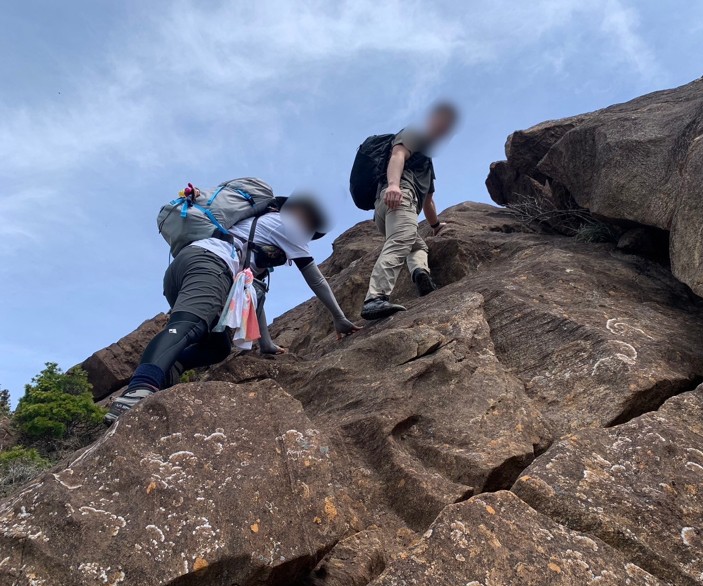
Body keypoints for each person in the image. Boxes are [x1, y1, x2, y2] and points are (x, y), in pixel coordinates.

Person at [104, 195, 360, 425]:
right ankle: (138, 391)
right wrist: (339, 318)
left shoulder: (258, 229)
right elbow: (316, 279)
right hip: (211, 264)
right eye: (312, 228)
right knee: (191, 324)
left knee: (217, 346)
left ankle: (170, 370)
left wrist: (266, 344)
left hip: (186, 268)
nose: (308, 234)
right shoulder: (289, 225)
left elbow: (254, 294)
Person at [361, 102, 458, 320]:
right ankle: (375, 297)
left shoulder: (426, 161)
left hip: (387, 210)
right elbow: (398, 155)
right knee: (401, 241)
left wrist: (435, 226)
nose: (444, 130)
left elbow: (428, 201)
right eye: (442, 122)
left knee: (417, 245)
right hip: (398, 196)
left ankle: (420, 273)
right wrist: (394, 185)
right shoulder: (414, 134)